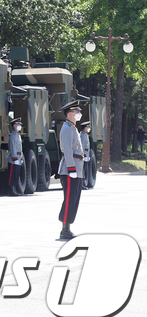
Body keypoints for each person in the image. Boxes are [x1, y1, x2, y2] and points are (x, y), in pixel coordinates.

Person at [57, 100, 86, 240]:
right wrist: (71, 168)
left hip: (76, 168)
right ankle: (65, 229)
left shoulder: (73, 128)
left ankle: (67, 227)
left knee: (74, 199)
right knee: (69, 199)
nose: (79, 113)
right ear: (69, 114)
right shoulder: (67, 129)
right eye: (76, 111)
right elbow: (68, 150)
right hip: (70, 169)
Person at [3, 119, 25, 196]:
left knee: (16, 174)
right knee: (12, 175)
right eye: (18, 125)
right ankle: (11, 190)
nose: (20, 126)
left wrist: (21, 157)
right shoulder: (13, 135)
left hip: (18, 157)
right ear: (14, 126)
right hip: (14, 158)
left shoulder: (17, 135)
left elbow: (19, 147)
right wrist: (14, 157)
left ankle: (15, 189)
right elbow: (12, 147)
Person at [78, 119, 94, 187]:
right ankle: (82, 184)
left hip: (86, 155)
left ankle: (84, 183)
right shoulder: (81, 135)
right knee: (83, 171)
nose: (88, 128)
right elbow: (81, 146)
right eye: (87, 127)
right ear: (84, 128)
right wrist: (83, 154)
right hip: (83, 155)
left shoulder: (85, 135)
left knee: (86, 170)